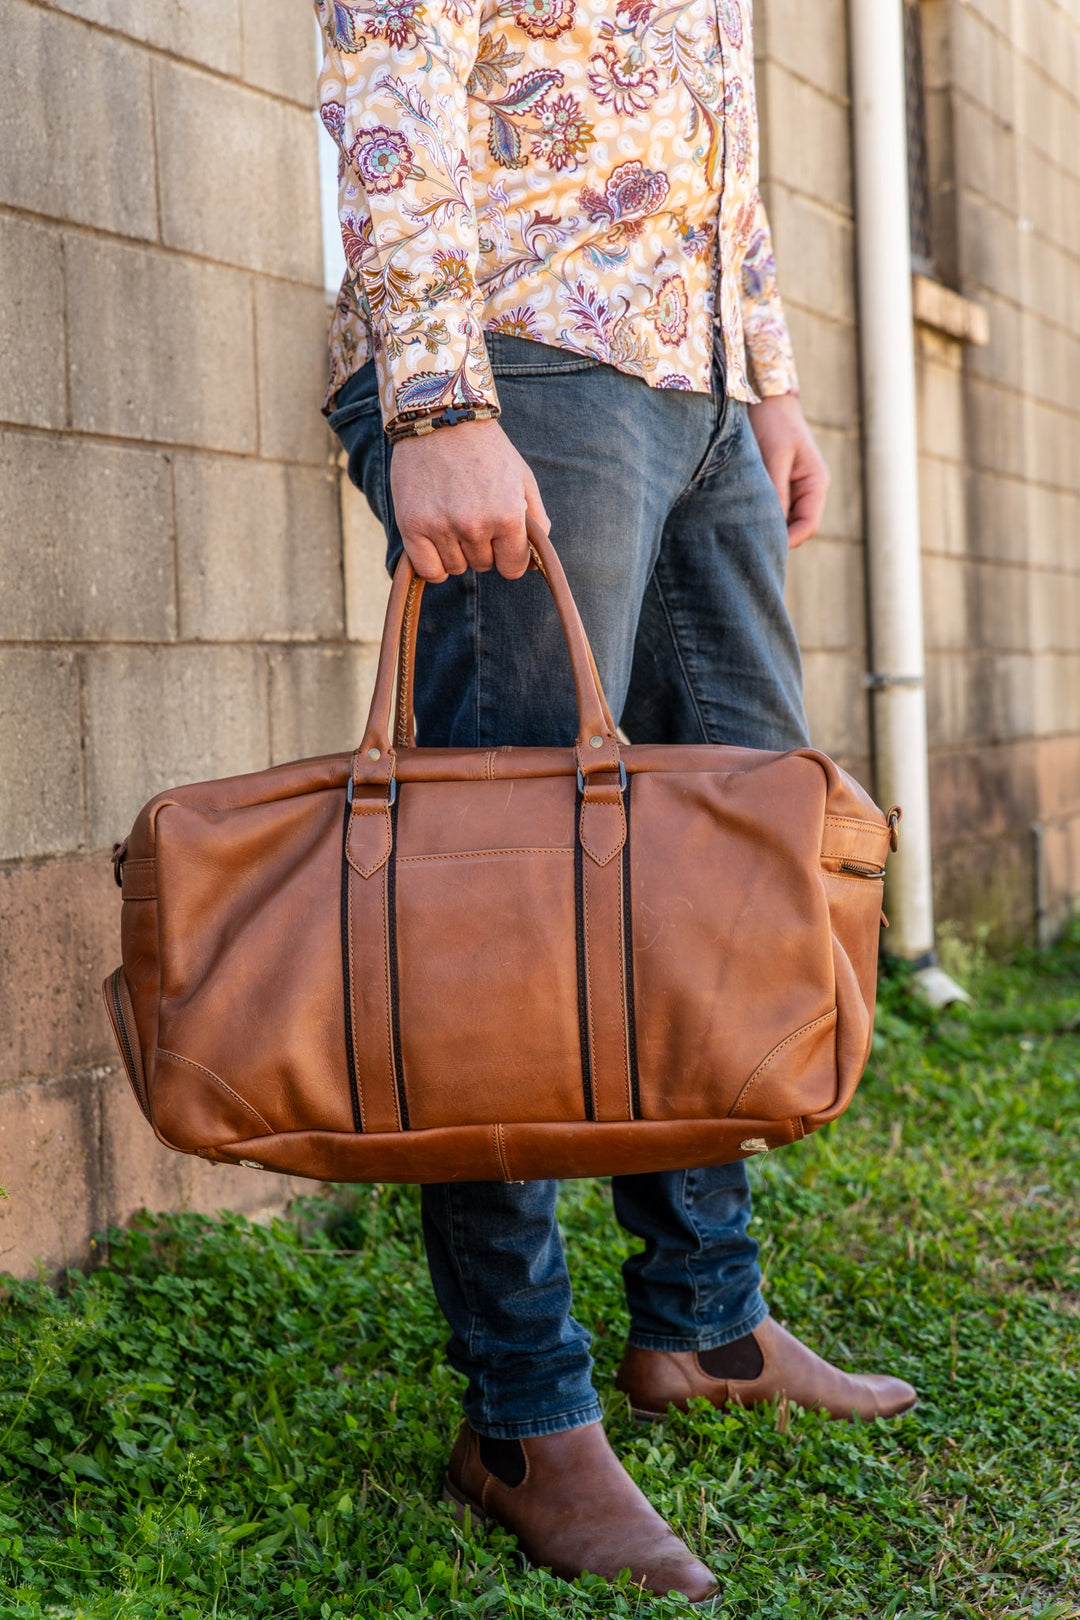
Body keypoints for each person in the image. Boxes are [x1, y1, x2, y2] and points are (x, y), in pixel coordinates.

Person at [315, 0, 916, 1600]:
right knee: (499, 899)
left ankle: (705, 1321)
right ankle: (523, 1418)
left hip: (697, 385)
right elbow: (388, 71)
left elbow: (710, 108)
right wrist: (439, 402)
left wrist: (763, 382)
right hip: (523, 360)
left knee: (720, 870)